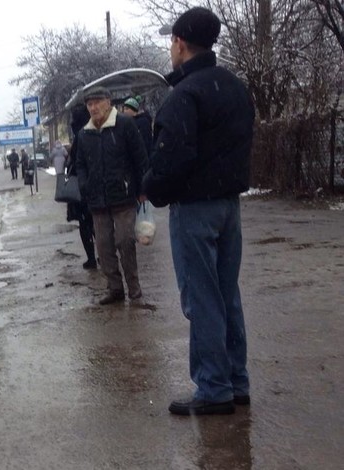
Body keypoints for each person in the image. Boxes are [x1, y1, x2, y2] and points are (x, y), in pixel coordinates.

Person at [142, 7, 255, 416]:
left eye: (171, 42)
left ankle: (213, 387)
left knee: (202, 297)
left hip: (194, 210)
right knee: (227, 294)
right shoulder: (234, 87)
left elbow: (172, 159)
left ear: (180, 43)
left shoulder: (184, 97)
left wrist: (150, 187)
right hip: (229, 207)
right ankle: (236, 381)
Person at [75, 86, 147, 305]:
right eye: (90, 104)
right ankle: (115, 289)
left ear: (108, 102)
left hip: (123, 196)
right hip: (97, 200)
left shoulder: (124, 125)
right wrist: (85, 184)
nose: (94, 107)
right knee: (104, 247)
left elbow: (140, 158)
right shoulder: (84, 133)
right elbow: (80, 164)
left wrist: (143, 190)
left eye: (97, 102)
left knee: (125, 242)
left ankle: (133, 288)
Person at [67, 105, 97, 270]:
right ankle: (102, 255)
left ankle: (91, 258)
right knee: (97, 222)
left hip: (81, 187)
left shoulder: (80, 135)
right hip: (94, 185)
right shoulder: (93, 130)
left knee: (86, 224)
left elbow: (76, 160)